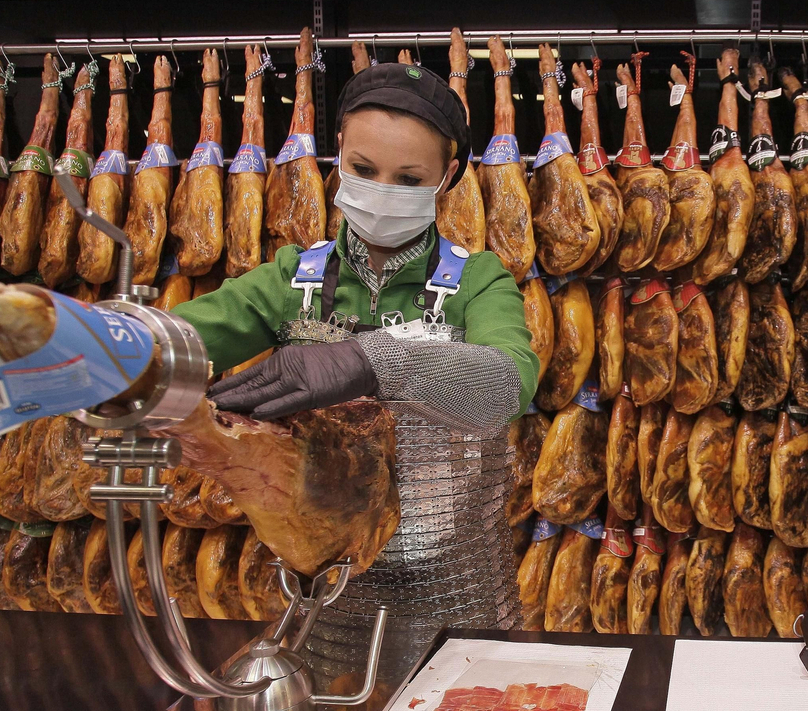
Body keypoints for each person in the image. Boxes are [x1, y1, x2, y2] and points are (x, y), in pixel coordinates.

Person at [172, 62, 537, 434]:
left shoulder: (478, 282)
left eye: (409, 179)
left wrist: (373, 363)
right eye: (363, 169)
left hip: (437, 494)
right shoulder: (291, 280)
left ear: (446, 177)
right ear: (341, 151)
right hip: (313, 493)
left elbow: (511, 385)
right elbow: (171, 342)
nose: (381, 190)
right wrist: (123, 341)